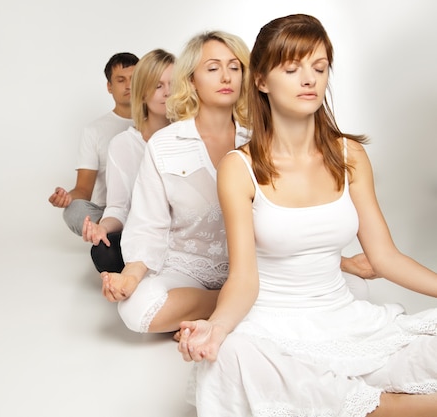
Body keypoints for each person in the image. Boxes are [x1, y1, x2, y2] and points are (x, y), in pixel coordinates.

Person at [178, 14, 437, 416]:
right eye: (292, 68)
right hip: (272, 329)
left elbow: (385, 257)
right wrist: (218, 327)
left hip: (346, 320)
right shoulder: (238, 168)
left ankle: (363, 402)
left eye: (319, 67)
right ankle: (392, 407)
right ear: (261, 80)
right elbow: (243, 278)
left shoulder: (350, 155)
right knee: (230, 358)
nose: (309, 79)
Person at [101, 31, 376, 336]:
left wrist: (338, 262)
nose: (226, 77)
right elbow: (148, 224)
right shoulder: (165, 144)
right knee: (138, 309)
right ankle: (233, 307)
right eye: (213, 68)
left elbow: (290, 218)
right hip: (188, 271)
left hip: (257, 269)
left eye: (235, 67)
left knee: (357, 292)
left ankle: (232, 311)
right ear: (192, 79)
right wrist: (131, 275)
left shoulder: (263, 139)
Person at [82, 48, 175, 273]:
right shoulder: (122, 144)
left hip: (186, 237)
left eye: (174, 85)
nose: (168, 93)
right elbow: (119, 207)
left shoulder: (191, 136)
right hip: (143, 235)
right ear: (142, 91)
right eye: (158, 85)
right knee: (104, 251)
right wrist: (102, 227)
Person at [48, 52, 139, 236]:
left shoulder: (159, 121)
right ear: (109, 86)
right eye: (121, 80)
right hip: (110, 211)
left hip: (149, 208)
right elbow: (83, 189)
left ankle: (120, 239)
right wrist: (67, 198)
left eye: (134, 78)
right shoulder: (94, 130)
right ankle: (111, 233)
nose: (129, 85)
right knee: (74, 211)